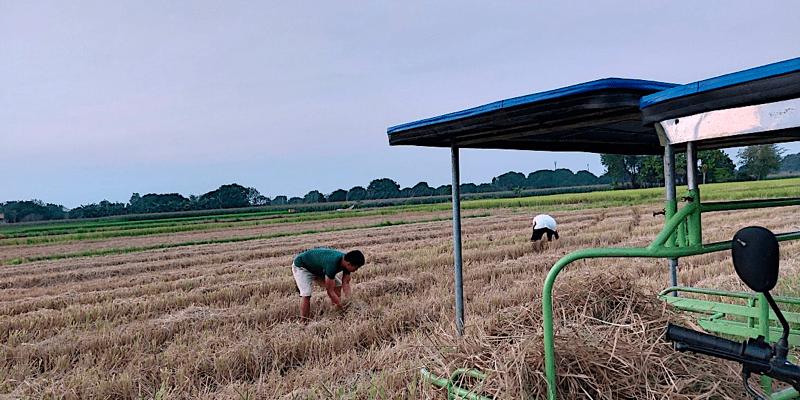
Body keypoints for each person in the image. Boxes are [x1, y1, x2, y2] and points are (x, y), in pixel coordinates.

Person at [291, 248, 365, 320]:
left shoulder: (347, 260)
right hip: (302, 267)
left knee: (338, 285)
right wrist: (341, 305)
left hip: (318, 268)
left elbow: (346, 283)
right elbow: (330, 291)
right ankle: (304, 322)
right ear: (349, 264)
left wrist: (350, 301)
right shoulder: (332, 264)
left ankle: (334, 310)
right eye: (356, 268)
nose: (356, 270)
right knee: (306, 293)